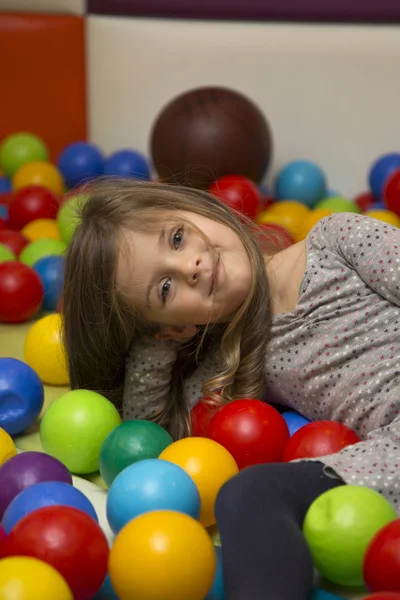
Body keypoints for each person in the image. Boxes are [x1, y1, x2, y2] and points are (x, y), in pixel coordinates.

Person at [62, 178, 400, 600]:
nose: (190, 267)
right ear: (174, 325)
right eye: (165, 289)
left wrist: (163, 313)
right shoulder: (230, 363)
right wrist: (158, 345)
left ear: (199, 207)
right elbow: (148, 436)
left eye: (178, 237)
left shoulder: (336, 239)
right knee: (247, 495)